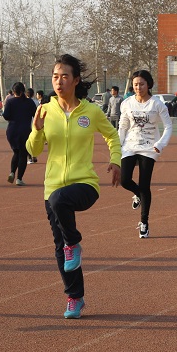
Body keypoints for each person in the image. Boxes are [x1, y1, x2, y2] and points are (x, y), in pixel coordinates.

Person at [26, 54, 121, 319]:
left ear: (76, 80)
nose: (59, 81)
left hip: (84, 184)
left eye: (64, 76)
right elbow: (33, 150)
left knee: (61, 205)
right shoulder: (44, 110)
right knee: (61, 248)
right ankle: (75, 298)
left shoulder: (91, 111)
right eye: (55, 76)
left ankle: (74, 243)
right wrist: (37, 130)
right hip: (52, 185)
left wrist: (116, 161)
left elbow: (112, 136)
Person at [118, 69, 173, 238]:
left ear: (148, 85)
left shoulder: (157, 104)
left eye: (141, 84)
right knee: (124, 180)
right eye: (135, 84)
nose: (138, 87)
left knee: (144, 185)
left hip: (149, 147)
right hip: (130, 145)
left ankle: (144, 223)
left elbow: (168, 126)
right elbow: (123, 126)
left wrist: (160, 144)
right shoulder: (127, 103)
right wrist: (119, 145)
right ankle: (137, 194)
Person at [3, 81, 37, 186]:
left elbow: (6, 116)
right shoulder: (30, 102)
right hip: (25, 131)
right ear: (23, 91)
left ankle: (12, 172)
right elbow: (35, 115)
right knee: (23, 154)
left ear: (14, 91)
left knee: (16, 152)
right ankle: (19, 178)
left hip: (12, 130)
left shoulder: (10, 101)